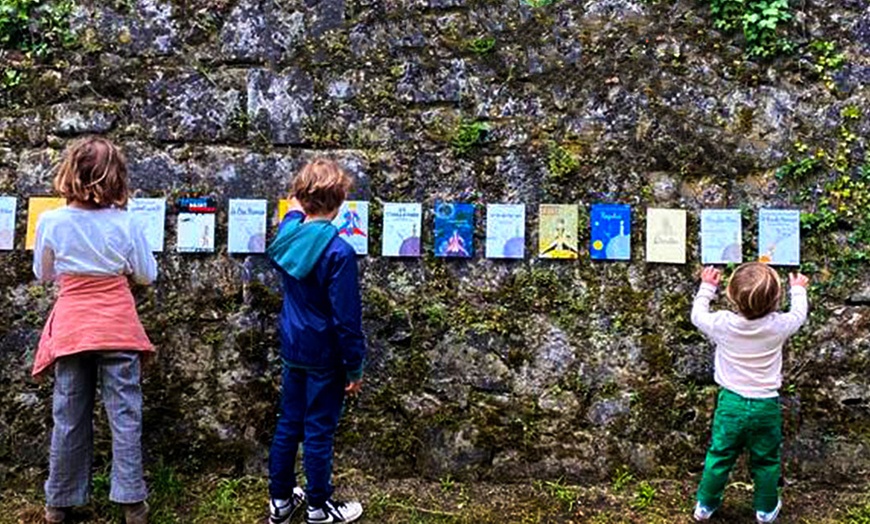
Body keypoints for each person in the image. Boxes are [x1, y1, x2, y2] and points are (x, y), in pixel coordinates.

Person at [32, 137, 157, 524]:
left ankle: (59, 502)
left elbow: (43, 273)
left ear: (70, 172)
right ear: (116, 178)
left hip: (72, 327)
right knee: (125, 414)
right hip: (117, 326)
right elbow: (146, 275)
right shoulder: (128, 221)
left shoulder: (51, 221)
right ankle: (131, 502)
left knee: (68, 414)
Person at [267, 159, 366, 524]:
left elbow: (292, 221)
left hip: (293, 349)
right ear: (340, 203)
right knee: (319, 430)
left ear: (300, 199)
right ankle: (318, 507)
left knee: (288, 424)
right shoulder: (339, 252)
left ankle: (279, 501)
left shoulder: (287, 239)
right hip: (326, 356)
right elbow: (347, 320)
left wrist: (295, 209)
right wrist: (354, 365)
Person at [690, 263, 809, 523]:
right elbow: (799, 314)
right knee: (765, 460)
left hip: (730, 404)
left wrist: (707, 287)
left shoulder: (722, 324)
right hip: (766, 405)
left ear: (731, 297)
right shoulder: (779, 326)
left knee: (720, 454)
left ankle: (705, 505)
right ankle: (765, 510)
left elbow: (697, 316)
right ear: (776, 299)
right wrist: (798, 289)